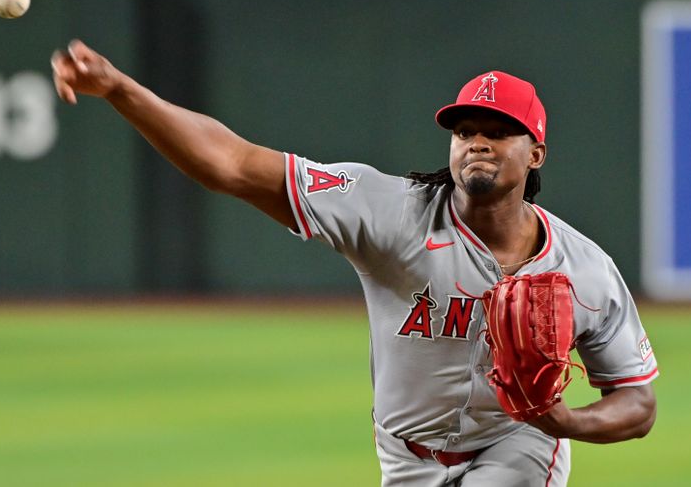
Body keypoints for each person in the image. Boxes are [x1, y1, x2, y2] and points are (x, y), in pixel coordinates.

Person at [51, 41, 658, 486]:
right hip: (405, 454)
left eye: (499, 131)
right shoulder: (391, 212)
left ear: (537, 152)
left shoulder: (585, 269)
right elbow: (231, 165)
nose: (477, 141)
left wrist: (564, 421)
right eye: (466, 129)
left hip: (518, 445)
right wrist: (121, 91)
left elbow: (638, 402)